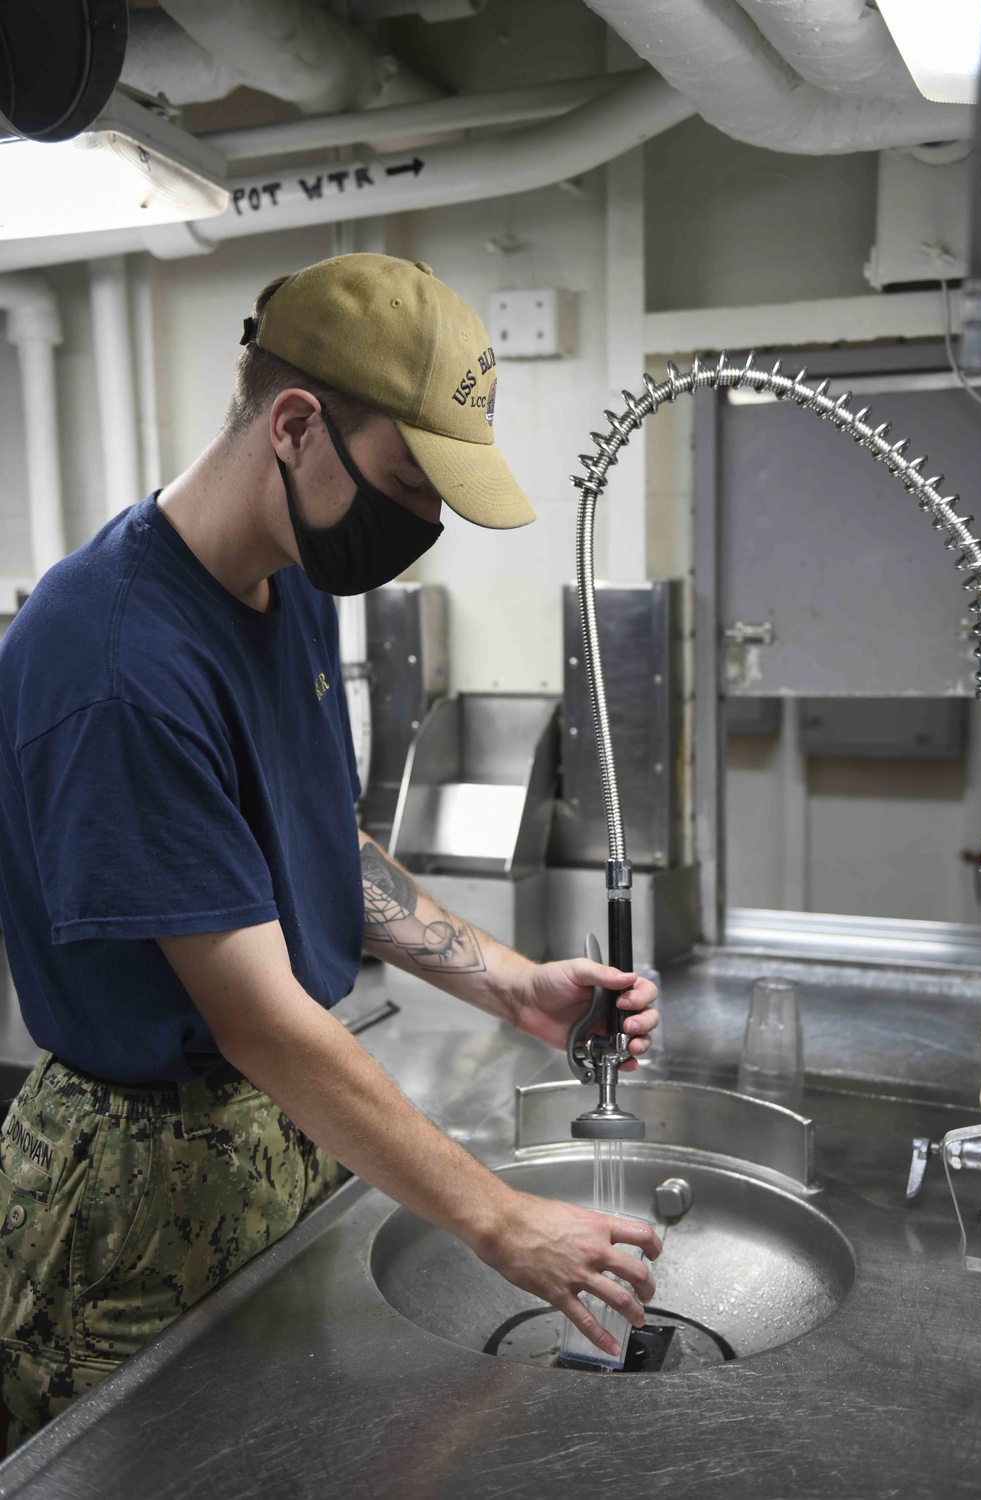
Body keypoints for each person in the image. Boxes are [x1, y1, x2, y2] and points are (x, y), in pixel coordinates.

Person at [0, 254, 660, 1449]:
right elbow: (253, 1016)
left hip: (274, 1133)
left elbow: (315, 843)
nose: (420, 526)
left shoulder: (289, 579)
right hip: (137, 1193)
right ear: (296, 426)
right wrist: (501, 1219)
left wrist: (513, 986)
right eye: (407, 480)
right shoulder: (114, 661)